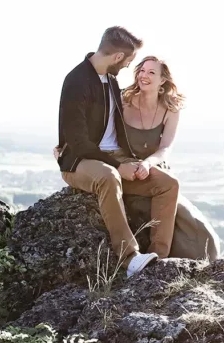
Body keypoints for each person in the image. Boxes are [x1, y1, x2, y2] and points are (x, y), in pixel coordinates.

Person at [55, 26, 177, 277]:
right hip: (81, 160)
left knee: (168, 184)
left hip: (115, 158)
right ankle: (129, 257)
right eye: (129, 62)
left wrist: (139, 162)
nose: (127, 68)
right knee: (109, 176)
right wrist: (118, 165)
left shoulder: (111, 81)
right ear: (117, 57)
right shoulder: (76, 81)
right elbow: (78, 142)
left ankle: (158, 260)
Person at [114, 55, 220, 262]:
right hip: (124, 168)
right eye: (142, 71)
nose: (144, 76)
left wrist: (148, 163)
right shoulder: (122, 100)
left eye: (151, 72)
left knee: (199, 230)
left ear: (163, 80)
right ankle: (158, 257)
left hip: (154, 169)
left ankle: (160, 260)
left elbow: (165, 148)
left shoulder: (171, 108)